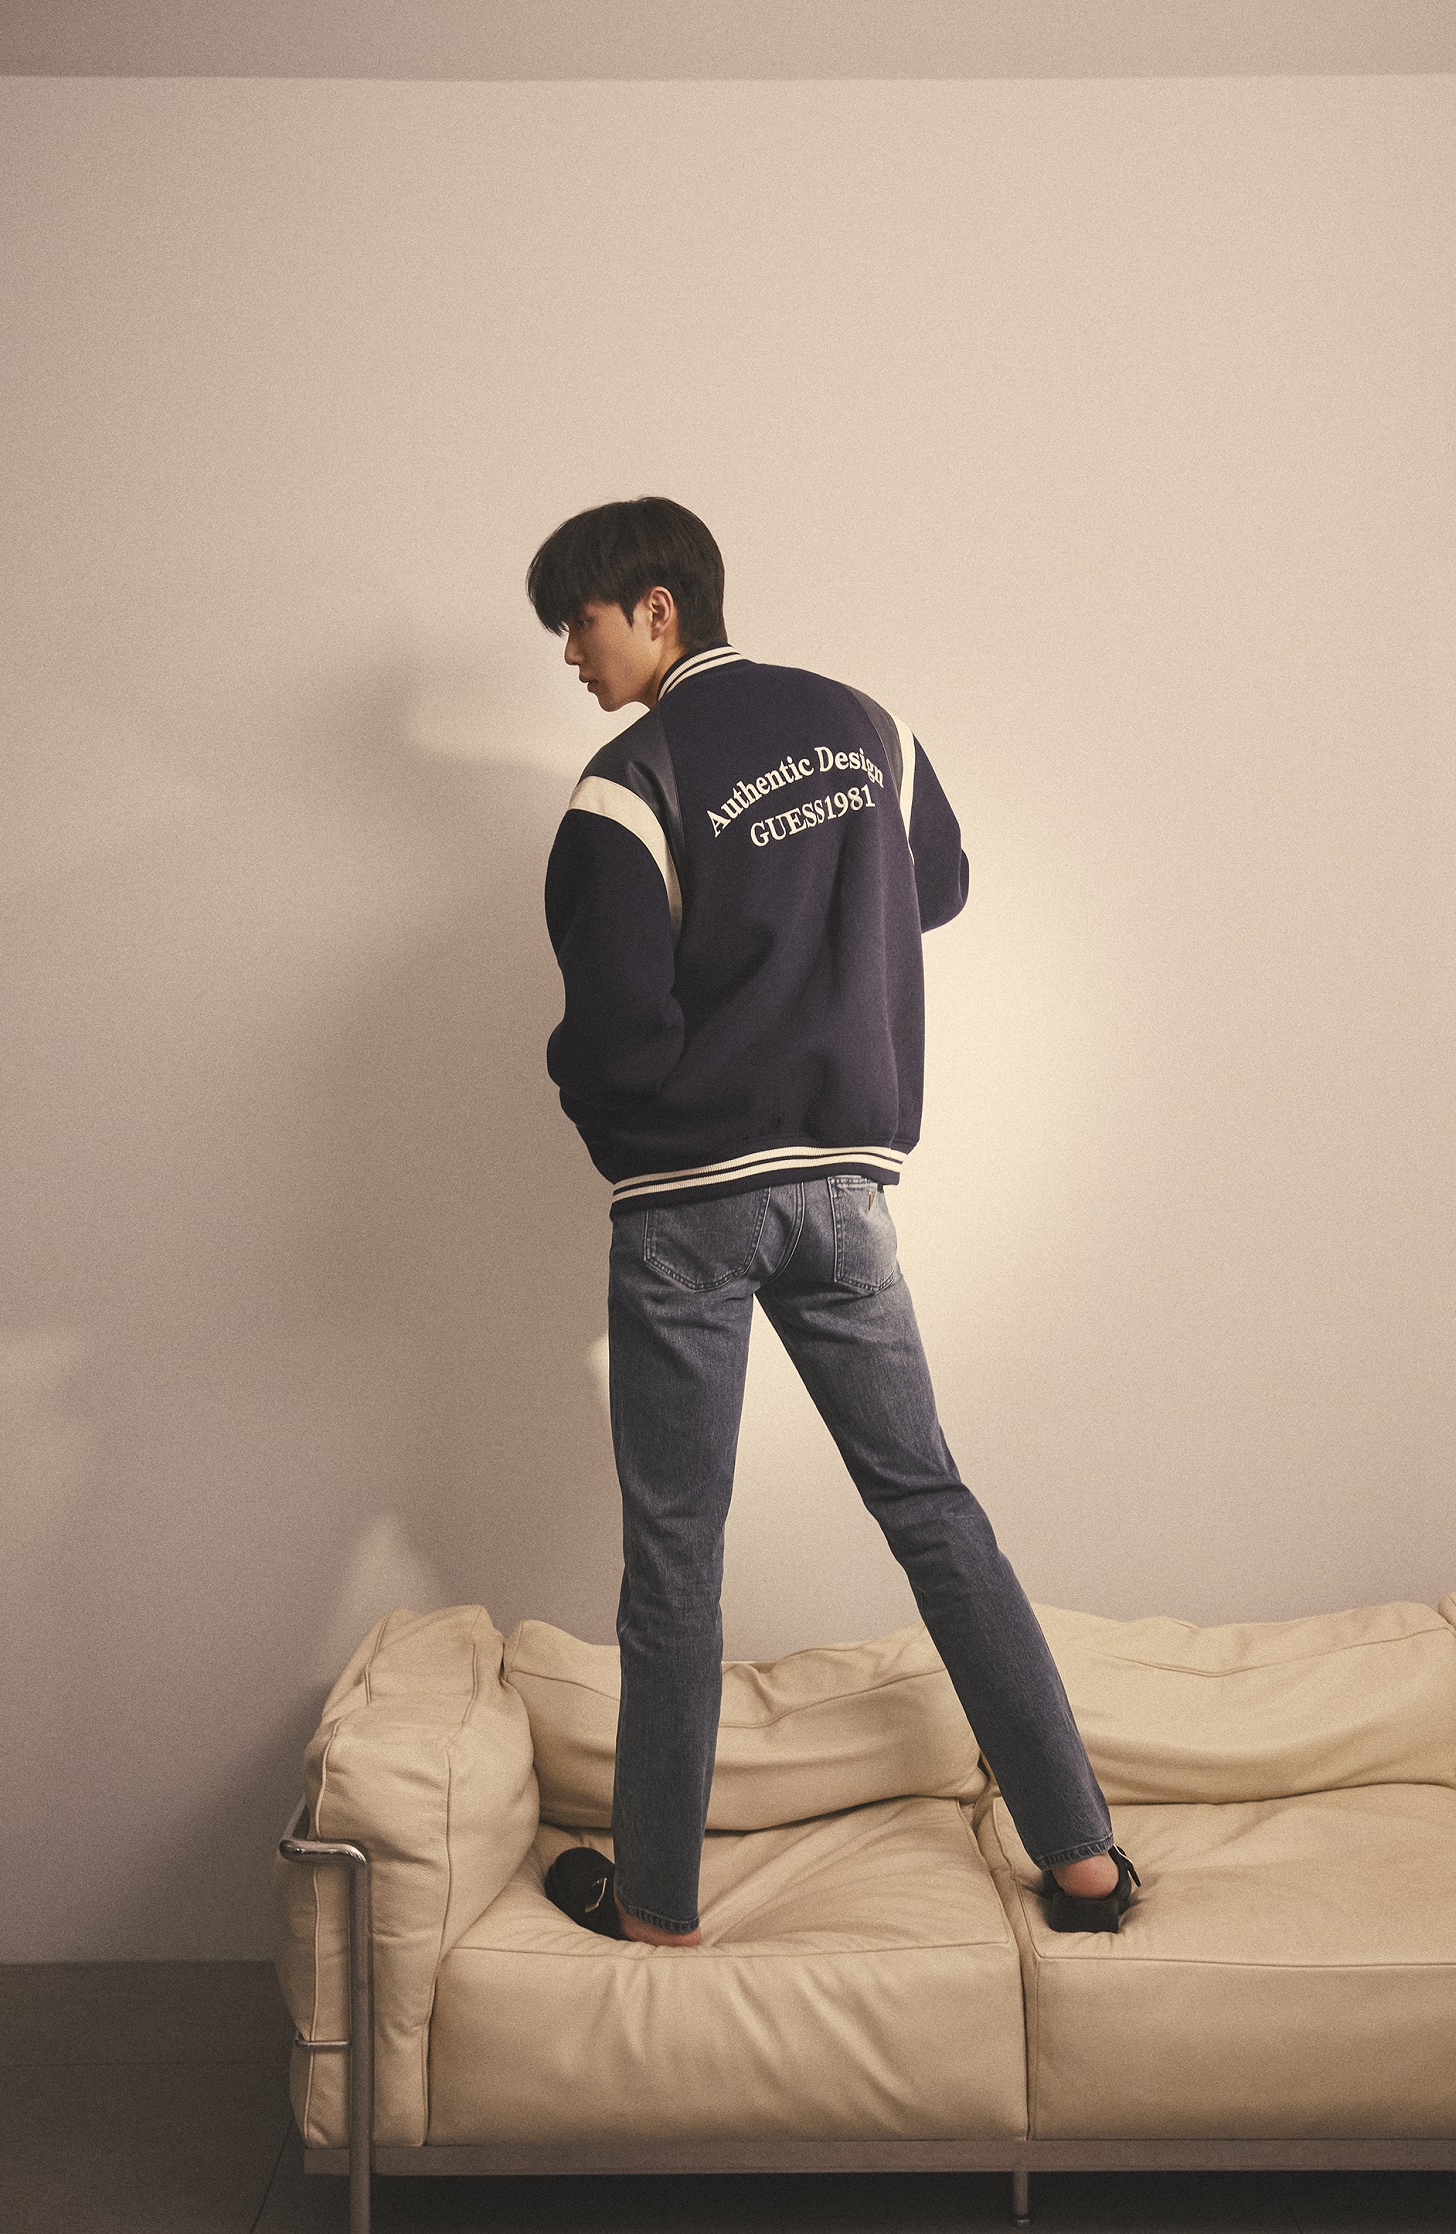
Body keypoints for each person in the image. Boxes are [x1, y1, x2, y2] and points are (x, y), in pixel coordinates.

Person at [525, 496, 1138, 1945]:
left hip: (690, 1204)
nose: (571, 653)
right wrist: (821, 941)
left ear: (659, 608)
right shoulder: (869, 726)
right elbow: (944, 883)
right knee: (933, 1508)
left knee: (676, 1551)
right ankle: (1083, 1856)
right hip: (847, 1196)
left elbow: (614, 1029)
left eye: (582, 621)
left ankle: (657, 1900)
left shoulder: (627, 785)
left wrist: (618, 1126)